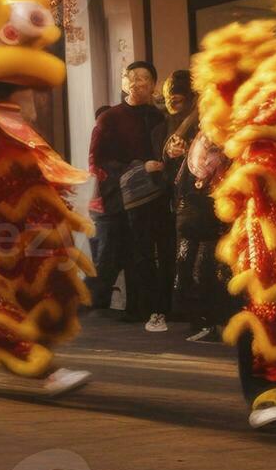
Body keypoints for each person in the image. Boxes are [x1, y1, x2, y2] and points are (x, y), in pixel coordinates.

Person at [89, 62, 171, 326]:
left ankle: (158, 308)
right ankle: (131, 309)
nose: (137, 82)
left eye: (144, 78)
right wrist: (135, 170)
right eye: (131, 77)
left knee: (154, 252)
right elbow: (97, 162)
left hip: (157, 196)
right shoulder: (110, 117)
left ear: (154, 85)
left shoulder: (161, 117)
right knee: (125, 255)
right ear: (124, 83)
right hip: (122, 199)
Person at [167, 72, 228, 342]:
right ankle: (199, 320)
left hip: (213, 211)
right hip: (189, 209)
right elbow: (177, 170)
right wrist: (172, 154)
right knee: (185, 267)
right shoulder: (195, 134)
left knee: (206, 269)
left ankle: (211, 321)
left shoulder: (227, 136)